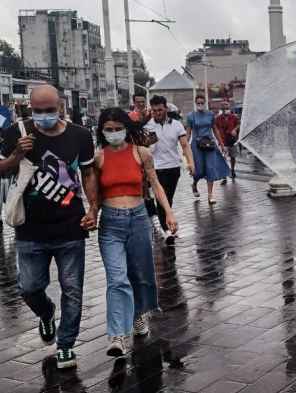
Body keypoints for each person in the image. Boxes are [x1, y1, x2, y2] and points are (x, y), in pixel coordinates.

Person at [0, 85, 99, 369]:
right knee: (29, 288)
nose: (43, 116)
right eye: (37, 111)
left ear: (61, 107)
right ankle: (46, 312)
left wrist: (93, 209)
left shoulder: (79, 134)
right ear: (29, 108)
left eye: (49, 110)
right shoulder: (18, 131)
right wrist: (17, 153)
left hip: (70, 226)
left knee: (73, 290)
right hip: (30, 229)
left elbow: (88, 172)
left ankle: (66, 344)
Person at [93, 108, 178, 357]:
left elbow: (154, 183)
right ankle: (117, 335)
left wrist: (169, 213)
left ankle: (139, 314)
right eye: (108, 130)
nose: (113, 133)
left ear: (126, 129)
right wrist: (91, 213)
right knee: (117, 277)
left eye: (117, 128)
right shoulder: (98, 157)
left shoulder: (141, 153)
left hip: (139, 218)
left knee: (141, 273)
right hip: (110, 222)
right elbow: (94, 192)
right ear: (101, 131)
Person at [144, 95, 195, 245]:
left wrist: (191, 162)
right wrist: (146, 142)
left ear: (166, 107)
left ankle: (167, 219)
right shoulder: (147, 126)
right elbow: (140, 147)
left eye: (160, 110)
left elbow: (185, 145)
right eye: (154, 111)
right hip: (156, 168)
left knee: (169, 198)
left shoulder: (177, 125)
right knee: (162, 198)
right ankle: (166, 230)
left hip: (173, 167)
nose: (157, 113)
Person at [186, 94, 230, 204]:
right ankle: (194, 184)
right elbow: (188, 133)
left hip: (210, 144)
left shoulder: (210, 115)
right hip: (197, 145)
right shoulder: (191, 116)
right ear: (195, 104)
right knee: (199, 170)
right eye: (198, 103)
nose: (200, 105)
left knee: (210, 169)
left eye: (202, 103)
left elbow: (215, 131)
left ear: (205, 103)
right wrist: (185, 147)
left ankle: (210, 195)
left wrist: (222, 145)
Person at [215, 102, 239, 184]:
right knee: (223, 158)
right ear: (222, 109)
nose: (228, 110)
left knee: (233, 156)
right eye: (226, 108)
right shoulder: (218, 118)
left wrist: (234, 130)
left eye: (229, 108)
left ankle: (232, 170)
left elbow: (238, 124)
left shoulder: (233, 117)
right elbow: (215, 128)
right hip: (223, 141)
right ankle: (224, 173)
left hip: (232, 140)